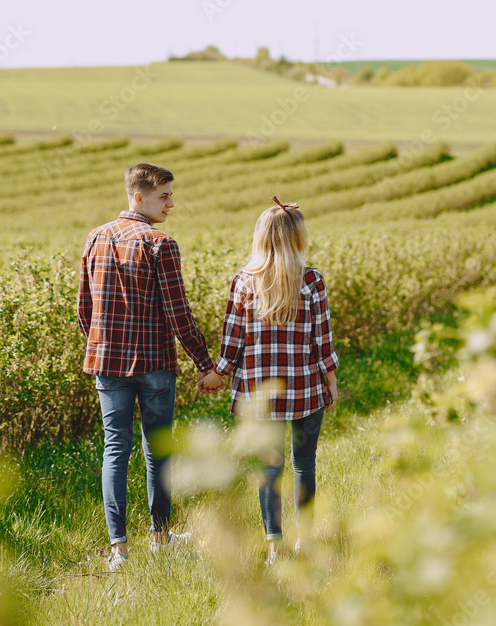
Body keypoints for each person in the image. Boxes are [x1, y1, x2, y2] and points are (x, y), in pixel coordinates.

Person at [76, 162, 214, 572]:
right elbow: (179, 315)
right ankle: (161, 537)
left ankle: (118, 549)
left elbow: (85, 309)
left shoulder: (95, 237)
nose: (172, 203)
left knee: (115, 449)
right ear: (138, 197)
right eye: (164, 196)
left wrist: (100, 345)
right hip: (154, 364)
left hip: (107, 364)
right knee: (158, 451)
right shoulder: (161, 243)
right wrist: (206, 364)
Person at [198, 197, 339, 564]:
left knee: (269, 468)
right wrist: (331, 380)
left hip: (259, 393)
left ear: (261, 237)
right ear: (298, 237)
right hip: (305, 389)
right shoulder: (312, 281)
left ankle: (274, 544)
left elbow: (233, 340)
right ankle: (304, 540)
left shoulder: (244, 281)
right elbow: (322, 340)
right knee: (304, 463)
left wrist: (217, 374)